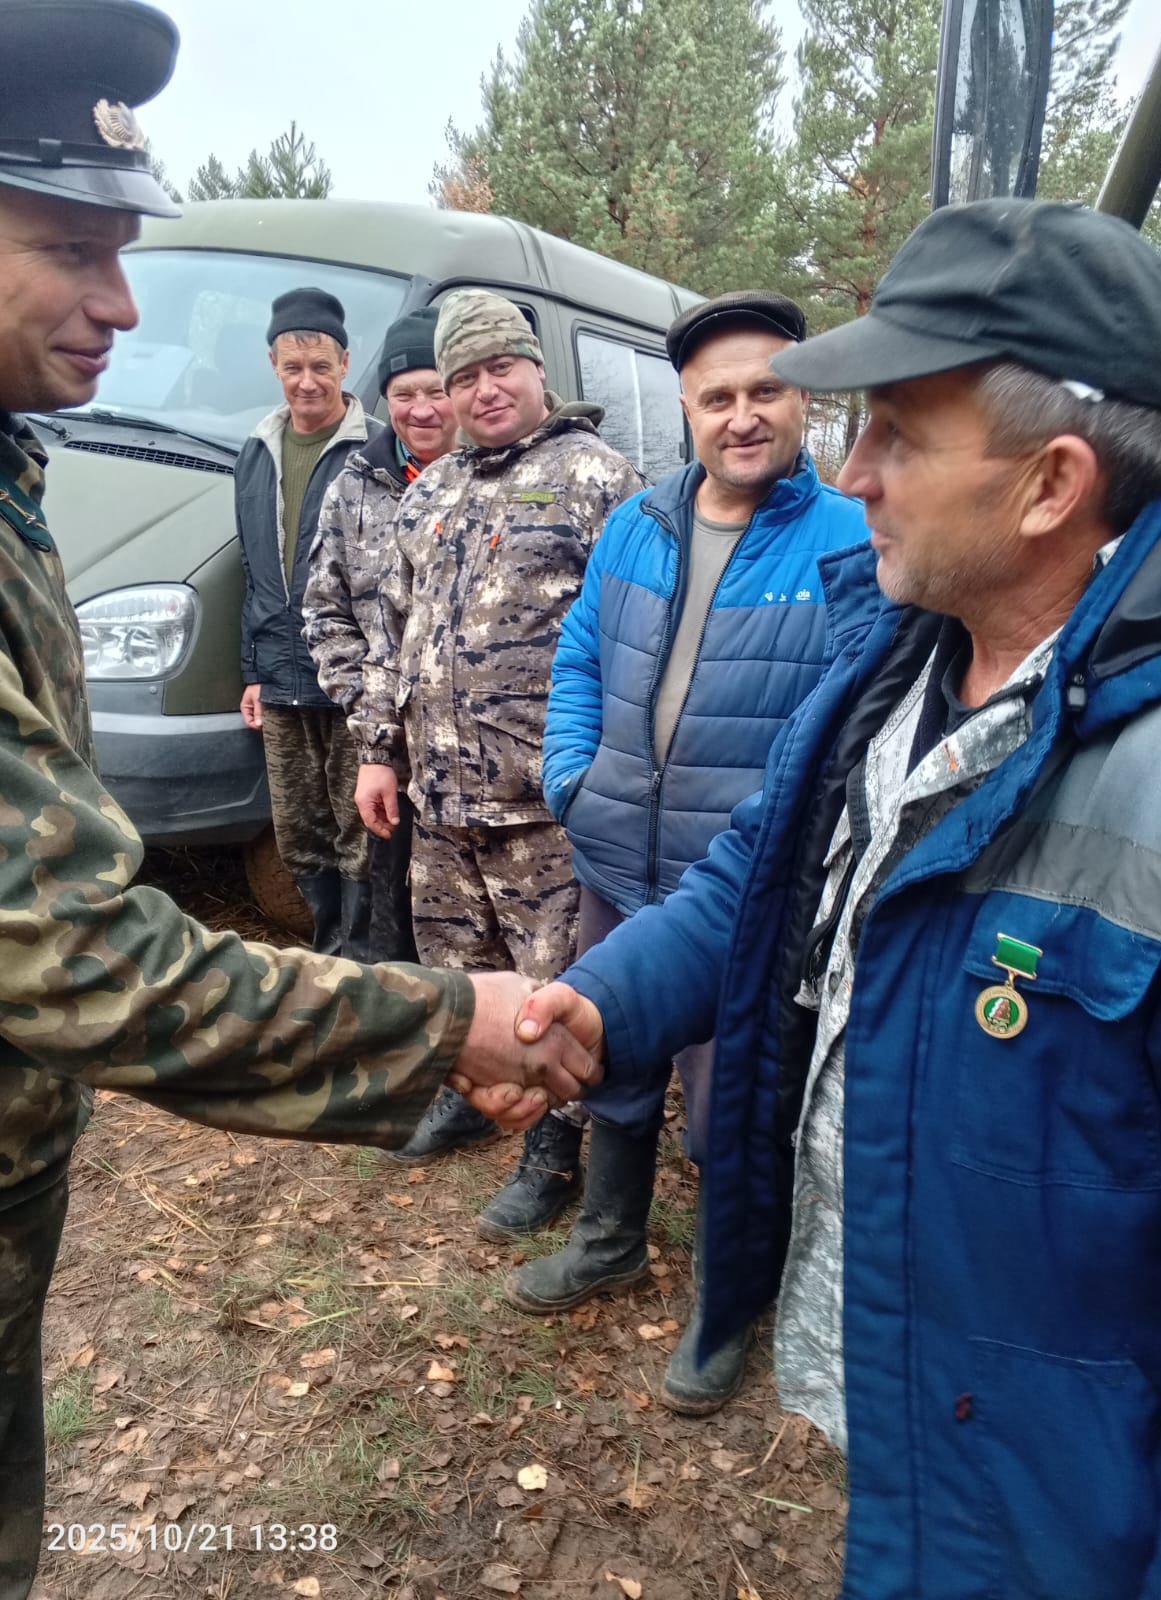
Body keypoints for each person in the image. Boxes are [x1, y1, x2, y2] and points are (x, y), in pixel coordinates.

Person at [506, 200, 1161, 1596]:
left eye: (896, 433)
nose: (856, 470)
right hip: (931, 1429)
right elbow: (748, 887)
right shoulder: (896, 673)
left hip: (1081, 1518)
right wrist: (591, 1004)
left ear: (1053, 483)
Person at [0, 6, 600, 1594]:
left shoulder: (18, 479)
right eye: (71, 246)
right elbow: (65, 955)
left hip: (535, 796)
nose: (119, 302)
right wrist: (435, 1022)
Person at [507, 291, 865, 1415]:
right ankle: (610, 1237)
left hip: (742, 897)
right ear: (687, 408)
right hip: (616, 860)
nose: (744, 415)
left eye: (766, 390)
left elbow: (854, 722)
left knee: (729, 1116)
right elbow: (577, 657)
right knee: (612, 1060)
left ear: (801, 398)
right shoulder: (638, 525)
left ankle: (726, 1305)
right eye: (720, 396)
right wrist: (573, 775)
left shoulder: (847, 542)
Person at [353, 289, 644, 1229]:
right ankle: (468, 1098)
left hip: (541, 804)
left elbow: (636, 643)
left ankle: (554, 1145)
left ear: (536, 370)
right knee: (456, 966)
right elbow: (389, 635)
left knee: (550, 984)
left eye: (499, 369)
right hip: (437, 797)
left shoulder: (600, 478)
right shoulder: (431, 489)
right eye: (463, 375)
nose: (482, 392)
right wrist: (377, 753)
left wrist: (608, 774)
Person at [303, 306, 457, 963]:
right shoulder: (353, 486)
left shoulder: (500, 478)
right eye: (403, 394)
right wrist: (372, 724)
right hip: (386, 748)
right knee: (395, 918)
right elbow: (324, 609)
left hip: (481, 755)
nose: (420, 409)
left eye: (436, 389)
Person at [237, 285, 381, 957]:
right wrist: (252, 671)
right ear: (272, 365)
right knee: (299, 831)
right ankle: (328, 954)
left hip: (354, 680)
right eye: (293, 367)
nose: (307, 382)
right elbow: (255, 568)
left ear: (346, 364)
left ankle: (364, 961)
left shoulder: (377, 450)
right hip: (283, 676)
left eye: (321, 366)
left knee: (362, 828)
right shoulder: (256, 453)